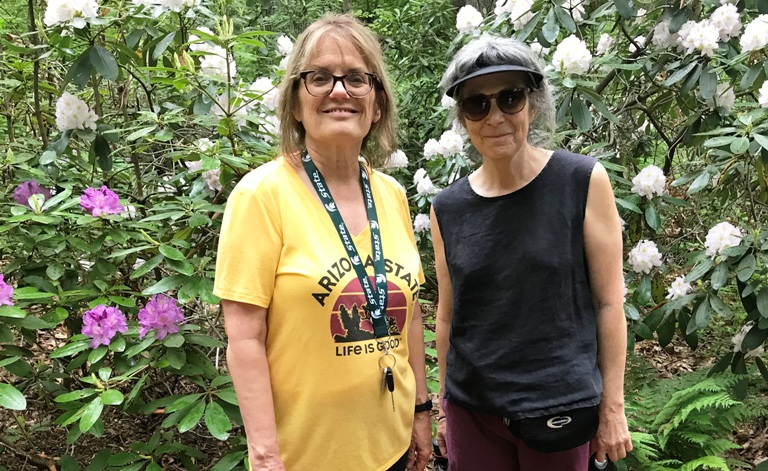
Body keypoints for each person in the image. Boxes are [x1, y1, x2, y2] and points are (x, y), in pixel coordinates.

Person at [213, 14, 431, 471]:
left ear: (376, 104)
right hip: (304, 456)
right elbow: (245, 340)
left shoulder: (390, 195)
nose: (339, 91)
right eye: (320, 77)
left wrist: (420, 413)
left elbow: (408, 315)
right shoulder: (261, 196)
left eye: (356, 78)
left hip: (389, 446)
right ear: (295, 103)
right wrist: (265, 455)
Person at [430, 35, 633, 471]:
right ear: (462, 118)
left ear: (533, 103)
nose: (495, 116)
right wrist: (445, 409)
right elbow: (448, 316)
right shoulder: (446, 207)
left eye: (509, 98)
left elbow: (609, 301)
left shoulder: (580, 180)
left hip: (559, 406)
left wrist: (612, 407)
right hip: (473, 411)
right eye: (477, 105)